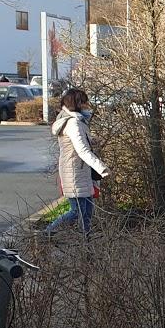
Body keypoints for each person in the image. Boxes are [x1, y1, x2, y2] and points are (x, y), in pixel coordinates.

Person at [47, 88, 108, 236]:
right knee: (77, 211)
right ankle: (47, 233)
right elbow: (82, 151)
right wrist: (102, 168)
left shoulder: (77, 121)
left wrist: (92, 140)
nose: (87, 105)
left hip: (80, 171)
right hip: (74, 172)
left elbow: (79, 143)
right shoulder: (74, 123)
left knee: (87, 212)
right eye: (84, 102)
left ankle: (85, 242)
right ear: (77, 103)